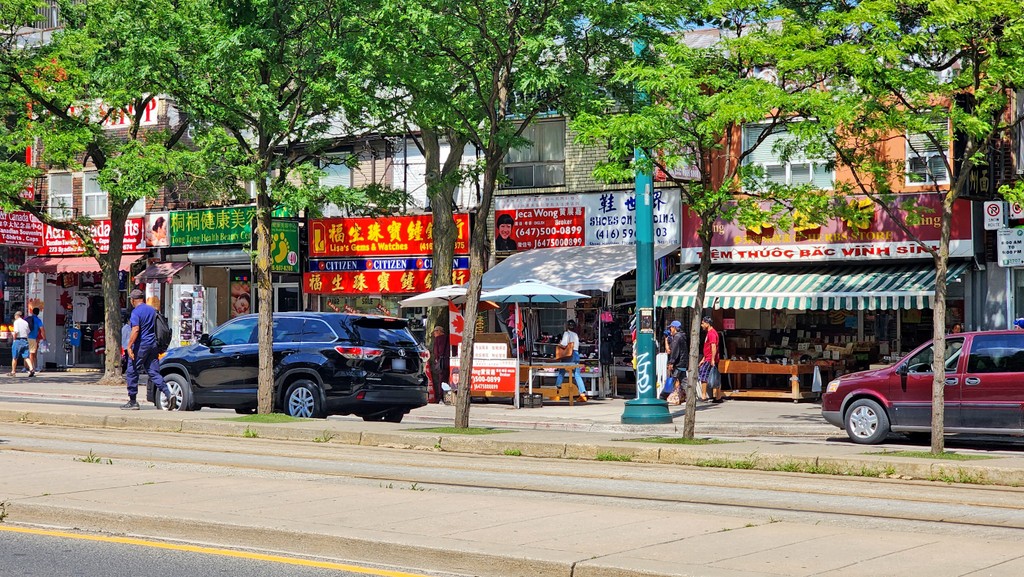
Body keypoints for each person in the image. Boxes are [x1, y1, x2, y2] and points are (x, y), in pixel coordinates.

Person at [124, 289, 175, 410]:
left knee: (132, 371)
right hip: (153, 345)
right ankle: (168, 393)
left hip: (141, 345)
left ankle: (133, 401)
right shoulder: (152, 310)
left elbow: (135, 329)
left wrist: (129, 346)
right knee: (153, 372)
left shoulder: (136, 312)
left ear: (133, 300)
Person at [554, 319, 587, 402]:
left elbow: (564, 344)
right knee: (577, 374)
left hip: (569, 355)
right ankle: (583, 394)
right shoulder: (575, 335)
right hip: (576, 354)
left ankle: (557, 390)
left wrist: (559, 344)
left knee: (562, 371)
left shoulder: (566, 333)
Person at [698, 315, 722, 403]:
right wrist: (703, 359)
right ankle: (718, 396)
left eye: (703, 323)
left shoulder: (711, 333)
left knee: (703, 375)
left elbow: (713, 346)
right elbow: (708, 348)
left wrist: (712, 359)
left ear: (707, 324)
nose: (702, 325)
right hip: (708, 358)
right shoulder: (710, 333)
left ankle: (704, 396)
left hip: (710, 359)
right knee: (715, 376)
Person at [664, 320, 688, 402]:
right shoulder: (682, 336)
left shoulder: (677, 337)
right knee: (683, 380)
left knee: (672, 379)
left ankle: (663, 396)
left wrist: (671, 362)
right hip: (683, 363)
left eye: (671, 327)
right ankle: (689, 397)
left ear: (674, 328)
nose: (670, 329)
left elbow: (674, 351)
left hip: (678, 364)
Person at [8, 311, 34, 377]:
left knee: (15, 357)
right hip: (25, 340)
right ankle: (31, 369)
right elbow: (28, 331)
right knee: (26, 356)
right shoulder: (25, 322)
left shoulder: (16, 322)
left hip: (18, 340)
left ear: (17, 316)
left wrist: (14, 339)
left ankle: (13, 371)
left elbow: (16, 332)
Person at [430, 325, 450, 404]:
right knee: (447, 379)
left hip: (441, 362)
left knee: (441, 380)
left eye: (435, 332)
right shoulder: (448, 338)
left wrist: (437, 359)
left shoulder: (438, 339)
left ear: (439, 331)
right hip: (449, 361)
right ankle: (447, 397)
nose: (434, 334)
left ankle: (440, 397)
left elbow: (436, 352)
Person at [26, 307, 45, 373]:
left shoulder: (27, 318)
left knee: (26, 353)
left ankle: (26, 367)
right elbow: (42, 329)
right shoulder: (38, 320)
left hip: (26, 337)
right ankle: (32, 368)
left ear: (32, 312)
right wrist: (44, 338)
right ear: (38, 313)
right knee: (33, 354)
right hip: (33, 338)